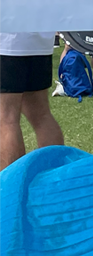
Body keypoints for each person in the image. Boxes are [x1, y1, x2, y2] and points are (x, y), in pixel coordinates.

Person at [0, 31, 63, 171]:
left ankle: (10, 186)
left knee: (6, 118)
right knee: (41, 115)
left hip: (6, 43)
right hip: (38, 41)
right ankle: (55, 176)